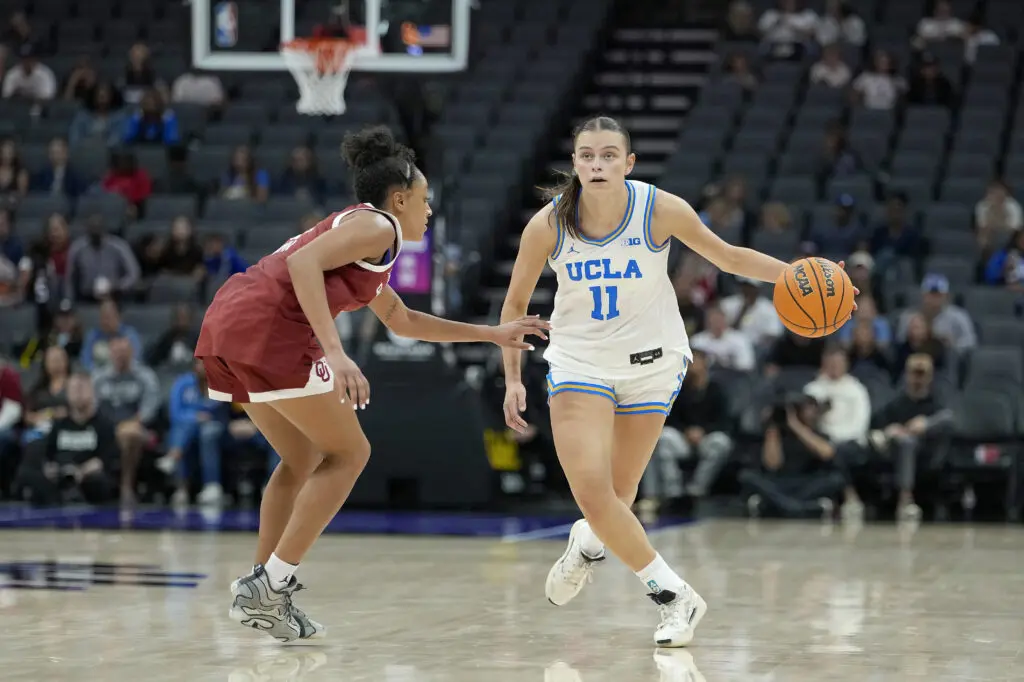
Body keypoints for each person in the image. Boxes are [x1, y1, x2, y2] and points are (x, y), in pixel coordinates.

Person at [497, 115, 856, 647]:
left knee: (618, 497)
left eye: (609, 155)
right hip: (580, 363)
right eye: (587, 156)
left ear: (628, 163)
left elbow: (728, 257)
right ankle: (674, 596)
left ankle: (588, 543)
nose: (597, 165)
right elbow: (513, 307)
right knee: (594, 492)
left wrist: (798, 276)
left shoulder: (658, 209)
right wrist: (512, 378)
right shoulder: (548, 225)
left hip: (652, 362)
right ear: (574, 163)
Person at [194, 125, 549, 643]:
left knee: (301, 458)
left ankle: (263, 590)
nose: (429, 210)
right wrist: (336, 353)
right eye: (424, 200)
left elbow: (403, 320)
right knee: (350, 454)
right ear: (399, 199)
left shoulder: (366, 238)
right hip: (269, 329)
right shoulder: (379, 226)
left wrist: (492, 334)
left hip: (228, 324)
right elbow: (301, 264)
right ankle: (273, 583)